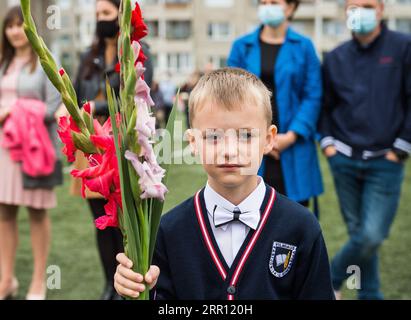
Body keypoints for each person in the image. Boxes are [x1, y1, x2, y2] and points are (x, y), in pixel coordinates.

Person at [113, 68, 335, 300]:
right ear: (193, 142)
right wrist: (132, 288)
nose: (229, 151)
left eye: (246, 135)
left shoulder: (301, 227)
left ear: (269, 139)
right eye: (213, 136)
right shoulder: (167, 231)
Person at [319, 0, 411, 300]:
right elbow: (326, 107)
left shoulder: (403, 47)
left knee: (371, 235)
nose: (359, 11)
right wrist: (329, 145)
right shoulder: (334, 57)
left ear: (381, 9)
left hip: (386, 160)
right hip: (343, 159)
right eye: (352, 5)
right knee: (361, 236)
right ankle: (369, 294)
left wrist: (399, 149)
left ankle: (328, 279)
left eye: (367, 4)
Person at [227, 0, 323, 208]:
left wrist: (291, 135)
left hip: (292, 146)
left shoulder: (304, 47)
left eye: (274, 2)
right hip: (251, 144)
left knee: (294, 215)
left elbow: (313, 95)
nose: (267, 6)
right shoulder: (242, 47)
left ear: (290, 7)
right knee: (252, 211)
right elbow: (232, 95)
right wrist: (261, 139)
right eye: (263, 2)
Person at [0, 6, 63, 300]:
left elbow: (54, 105)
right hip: (4, 152)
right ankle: (7, 279)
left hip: (35, 151)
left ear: (31, 28)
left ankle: (39, 282)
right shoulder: (3, 63)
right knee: (4, 215)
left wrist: (16, 109)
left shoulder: (44, 63)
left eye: (19, 25)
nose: (14, 31)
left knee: (37, 214)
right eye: (9, 26)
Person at [73, 0, 124, 300]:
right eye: (97, 15)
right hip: (92, 143)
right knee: (101, 222)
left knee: (122, 220)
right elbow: (78, 93)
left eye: (106, 13)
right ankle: (109, 284)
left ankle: (124, 283)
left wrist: (94, 106)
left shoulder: (135, 52)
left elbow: (128, 96)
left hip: (121, 144)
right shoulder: (88, 56)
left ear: (120, 14)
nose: (101, 19)